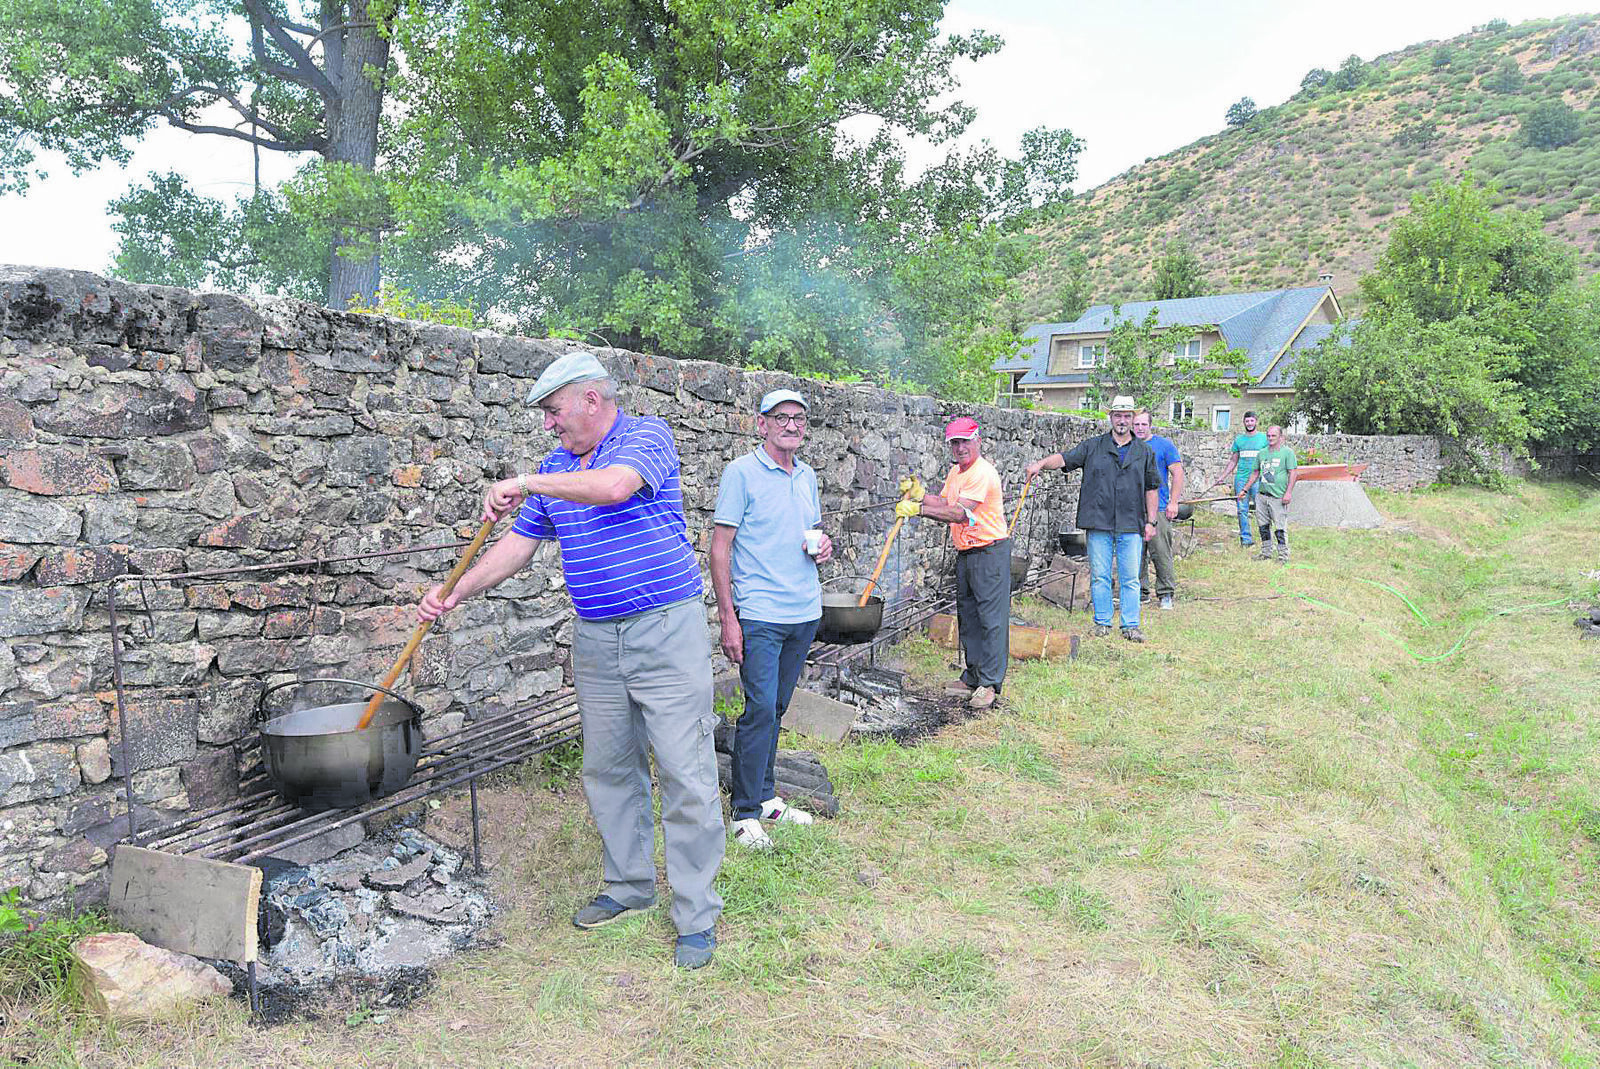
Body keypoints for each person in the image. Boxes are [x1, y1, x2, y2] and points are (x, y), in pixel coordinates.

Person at [417, 351, 724, 970]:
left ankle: (695, 915)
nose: (551, 426)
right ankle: (629, 887)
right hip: (595, 638)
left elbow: (614, 489)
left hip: (666, 629)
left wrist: (526, 481)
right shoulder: (556, 466)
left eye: (554, 412)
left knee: (685, 770)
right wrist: (455, 590)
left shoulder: (646, 436)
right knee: (609, 768)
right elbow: (517, 548)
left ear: (591, 398)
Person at [709, 389, 835, 851]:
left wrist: (824, 547)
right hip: (759, 612)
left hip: (803, 610)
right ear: (760, 424)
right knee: (759, 709)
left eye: (799, 418)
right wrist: (728, 618)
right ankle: (743, 813)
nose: (791, 425)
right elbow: (719, 548)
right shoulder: (740, 473)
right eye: (781, 417)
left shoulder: (807, 476)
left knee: (777, 708)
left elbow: (813, 535)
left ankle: (765, 798)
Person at [897, 416, 1009, 710]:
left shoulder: (982, 473)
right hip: (968, 552)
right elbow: (945, 503)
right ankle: (972, 676)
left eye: (965, 441)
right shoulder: (957, 472)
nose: (960, 448)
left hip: (989, 552)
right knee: (969, 617)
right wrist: (922, 496)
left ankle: (989, 684)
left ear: (978, 440)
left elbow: (961, 514)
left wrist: (918, 510)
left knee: (991, 621)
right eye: (955, 443)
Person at [1026, 395, 1159, 642]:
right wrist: (1041, 464)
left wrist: (1151, 522)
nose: (1122, 420)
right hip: (1098, 522)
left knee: (1131, 577)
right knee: (1100, 575)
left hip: (1132, 523)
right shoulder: (1093, 446)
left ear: (1132, 419)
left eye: (1127, 416)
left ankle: (1130, 625)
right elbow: (1064, 459)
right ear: (1110, 417)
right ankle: (1102, 623)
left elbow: (1152, 488)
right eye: (1118, 415)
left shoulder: (1145, 452)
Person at [1132, 409, 1184, 611]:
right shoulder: (1128, 445)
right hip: (1133, 509)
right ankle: (1140, 592)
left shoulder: (1164, 446)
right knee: (1136, 553)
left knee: (1160, 551)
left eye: (1143, 424)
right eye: (1136, 424)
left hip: (1159, 508)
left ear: (1150, 425)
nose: (1140, 428)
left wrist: (1173, 502)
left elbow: (1178, 473)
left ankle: (1165, 593)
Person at [1207, 411, 1269, 548]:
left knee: (1261, 509)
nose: (1250, 423)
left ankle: (1266, 539)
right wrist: (1222, 477)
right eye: (1247, 421)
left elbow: (1269, 459)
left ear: (1256, 422)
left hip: (1258, 480)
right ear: (1244, 422)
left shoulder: (1264, 439)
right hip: (1241, 479)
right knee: (1242, 510)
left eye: (1252, 421)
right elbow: (1233, 461)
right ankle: (1246, 540)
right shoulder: (1239, 440)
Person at [1240, 424, 1299, 563]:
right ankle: (1266, 552)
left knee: (1280, 528)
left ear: (1281, 437)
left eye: (1273, 436)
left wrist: (1288, 493)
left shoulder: (1287, 453)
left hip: (1278, 497)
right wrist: (1245, 489)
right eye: (1268, 436)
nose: (1270, 438)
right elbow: (1255, 473)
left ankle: (1283, 556)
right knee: (1263, 526)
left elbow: (1293, 473)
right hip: (1262, 496)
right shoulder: (1262, 453)